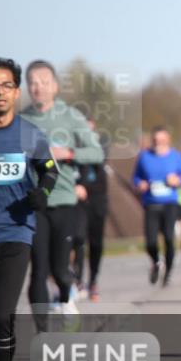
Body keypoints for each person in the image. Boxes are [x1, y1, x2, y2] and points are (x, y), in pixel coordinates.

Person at [0, 58, 58, 361]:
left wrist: (42, 193)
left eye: (5, 85)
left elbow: (48, 170)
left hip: (16, 233)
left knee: (1, 315)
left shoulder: (29, 134)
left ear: (16, 92)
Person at [20, 60, 104, 319]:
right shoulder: (21, 120)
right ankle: (42, 333)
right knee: (38, 269)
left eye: (44, 82)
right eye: (33, 82)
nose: (38, 87)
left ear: (54, 86)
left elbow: (96, 152)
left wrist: (67, 152)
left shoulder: (70, 117)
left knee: (59, 267)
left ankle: (66, 294)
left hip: (64, 201)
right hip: (34, 204)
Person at [132, 126, 181, 286]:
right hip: (151, 203)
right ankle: (156, 261)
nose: (159, 143)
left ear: (168, 140)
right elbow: (136, 178)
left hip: (170, 202)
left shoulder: (175, 156)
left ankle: (168, 272)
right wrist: (140, 184)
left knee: (169, 238)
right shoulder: (144, 157)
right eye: (156, 140)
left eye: (162, 140)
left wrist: (178, 180)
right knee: (150, 241)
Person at [71, 118, 109, 302]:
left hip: (97, 200)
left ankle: (93, 280)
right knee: (78, 238)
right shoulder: (72, 147)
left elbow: (100, 165)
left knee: (96, 244)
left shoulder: (100, 147)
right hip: (78, 200)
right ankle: (77, 281)